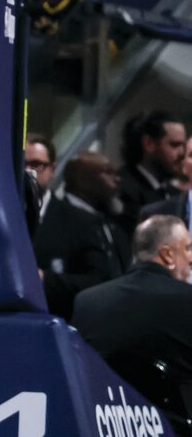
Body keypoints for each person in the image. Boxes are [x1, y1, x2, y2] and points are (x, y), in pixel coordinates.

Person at [72, 214, 192, 386]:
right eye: (187, 248)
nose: (191, 258)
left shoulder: (86, 301)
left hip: (98, 408)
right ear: (168, 255)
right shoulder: (187, 299)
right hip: (170, 411)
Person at [35, 151, 130, 319]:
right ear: (82, 179)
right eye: (107, 172)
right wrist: (46, 279)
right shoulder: (58, 219)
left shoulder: (115, 223)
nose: (117, 178)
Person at [118, 112, 187, 229]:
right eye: (174, 145)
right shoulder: (123, 189)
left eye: (183, 146)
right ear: (149, 144)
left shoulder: (177, 193)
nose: (182, 153)